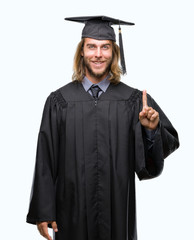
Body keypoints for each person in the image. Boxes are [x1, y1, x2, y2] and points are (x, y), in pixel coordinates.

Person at [26, 16, 179, 240]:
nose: (98, 54)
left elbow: (152, 165)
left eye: (105, 47)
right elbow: (45, 159)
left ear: (114, 53)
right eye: (92, 47)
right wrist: (43, 211)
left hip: (117, 213)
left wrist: (150, 130)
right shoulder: (59, 101)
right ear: (81, 51)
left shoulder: (134, 101)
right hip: (70, 214)